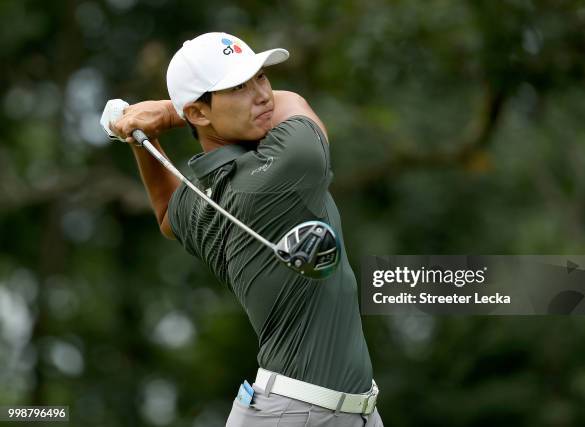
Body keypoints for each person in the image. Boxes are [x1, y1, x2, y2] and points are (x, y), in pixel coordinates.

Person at [110, 32, 383, 427]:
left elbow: (168, 212)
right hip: (295, 415)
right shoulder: (283, 169)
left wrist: (143, 139)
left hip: (346, 411)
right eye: (238, 87)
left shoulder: (201, 199)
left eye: (260, 77)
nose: (263, 95)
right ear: (199, 114)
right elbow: (296, 104)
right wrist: (169, 112)